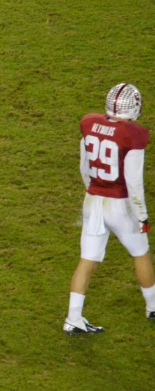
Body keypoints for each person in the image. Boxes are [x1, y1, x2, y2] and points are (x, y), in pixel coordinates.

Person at [64, 83, 155, 334]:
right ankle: (152, 307)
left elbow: (84, 166)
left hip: (93, 200)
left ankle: (73, 318)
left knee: (87, 260)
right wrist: (142, 215)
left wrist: (92, 191)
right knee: (141, 253)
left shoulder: (90, 123)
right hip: (120, 203)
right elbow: (134, 182)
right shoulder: (133, 134)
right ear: (134, 107)